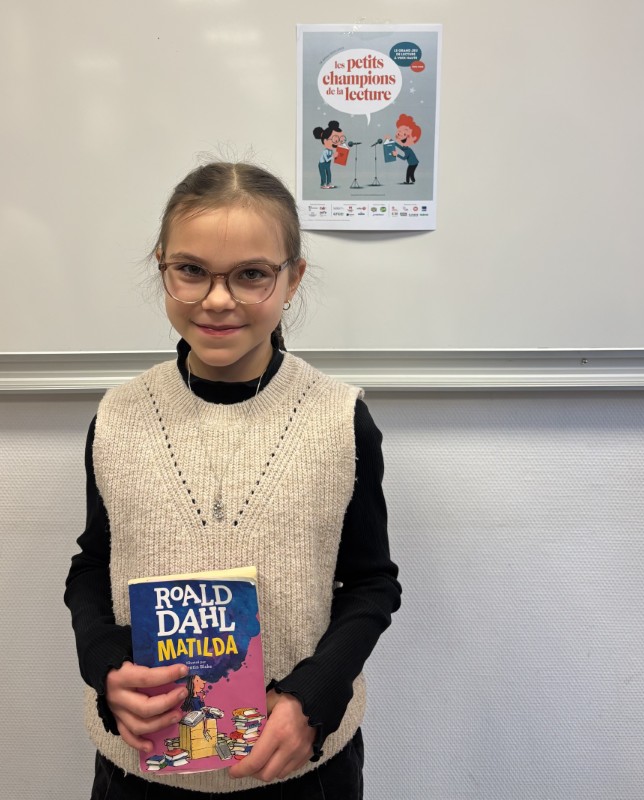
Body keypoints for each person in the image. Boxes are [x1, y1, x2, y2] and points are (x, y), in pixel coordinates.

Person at [64, 161, 401, 799]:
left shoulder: (339, 419)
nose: (218, 300)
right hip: (140, 772)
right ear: (162, 267)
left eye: (251, 275)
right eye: (191, 270)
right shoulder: (119, 417)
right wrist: (104, 665)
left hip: (301, 770)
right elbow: (92, 565)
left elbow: (371, 584)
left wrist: (313, 697)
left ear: (293, 278)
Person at [391, 113, 421, 184]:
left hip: (413, 163)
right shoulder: (405, 148)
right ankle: (413, 180)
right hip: (414, 163)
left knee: (409, 172)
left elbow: (404, 158)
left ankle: (408, 181)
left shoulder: (408, 151)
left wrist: (396, 155)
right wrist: (393, 142)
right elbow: (400, 147)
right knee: (411, 172)